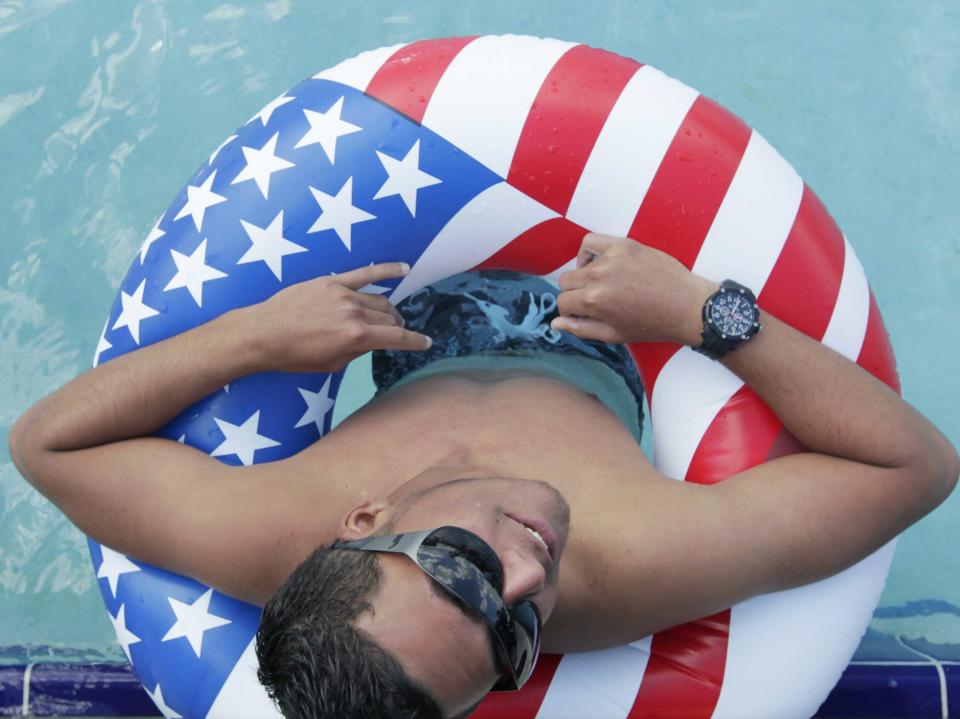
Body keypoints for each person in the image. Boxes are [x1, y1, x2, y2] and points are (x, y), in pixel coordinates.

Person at [9, 233, 958, 719]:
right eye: (513, 642)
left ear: (364, 515)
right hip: (617, 354)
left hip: (416, 314)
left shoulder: (263, 526)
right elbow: (916, 464)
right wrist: (698, 309)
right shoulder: (638, 560)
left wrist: (256, 336)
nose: (532, 576)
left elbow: (45, 444)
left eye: (463, 571)